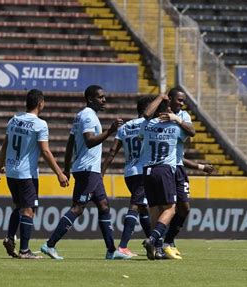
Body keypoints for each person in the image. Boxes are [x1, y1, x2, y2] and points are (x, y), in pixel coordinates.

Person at [41, 85, 131, 260]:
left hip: (90, 170)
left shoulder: (81, 116)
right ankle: (49, 245)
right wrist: (110, 131)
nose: (104, 99)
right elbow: (90, 141)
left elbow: (70, 144)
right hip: (87, 170)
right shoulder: (89, 116)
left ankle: (111, 250)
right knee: (78, 208)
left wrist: (66, 168)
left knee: (104, 206)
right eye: (100, 97)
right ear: (90, 99)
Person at [0, 89, 69, 259]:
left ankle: (9, 237)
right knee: (29, 211)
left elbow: (5, 144)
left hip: (11, 171)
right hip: (26, 174)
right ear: (40, 104)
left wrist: (0, 164)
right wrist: (59, 173)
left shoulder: (13, 120)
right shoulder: (40, 124)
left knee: (20, 207)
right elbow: (45, 151)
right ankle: (24, 250)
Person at [101, 95, 156, 257]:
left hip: (129, 173)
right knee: (135, 206)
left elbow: (112, 151)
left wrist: (102, 171)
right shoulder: (149, 125)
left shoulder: (125, 127)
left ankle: (153, 243)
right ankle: (122, 247)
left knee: (142, 207)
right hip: (142, 172)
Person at [138, 94, 189, 260]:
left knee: (154, 210)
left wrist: (159, 99)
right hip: (164, 169)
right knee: (170, 208)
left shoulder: (147, 125)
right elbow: (192, 132)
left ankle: (157, 249)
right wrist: (177, 119)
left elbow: (145, 117)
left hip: (147, 171)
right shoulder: (175, 127)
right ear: (165, 110)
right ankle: (153, 239)